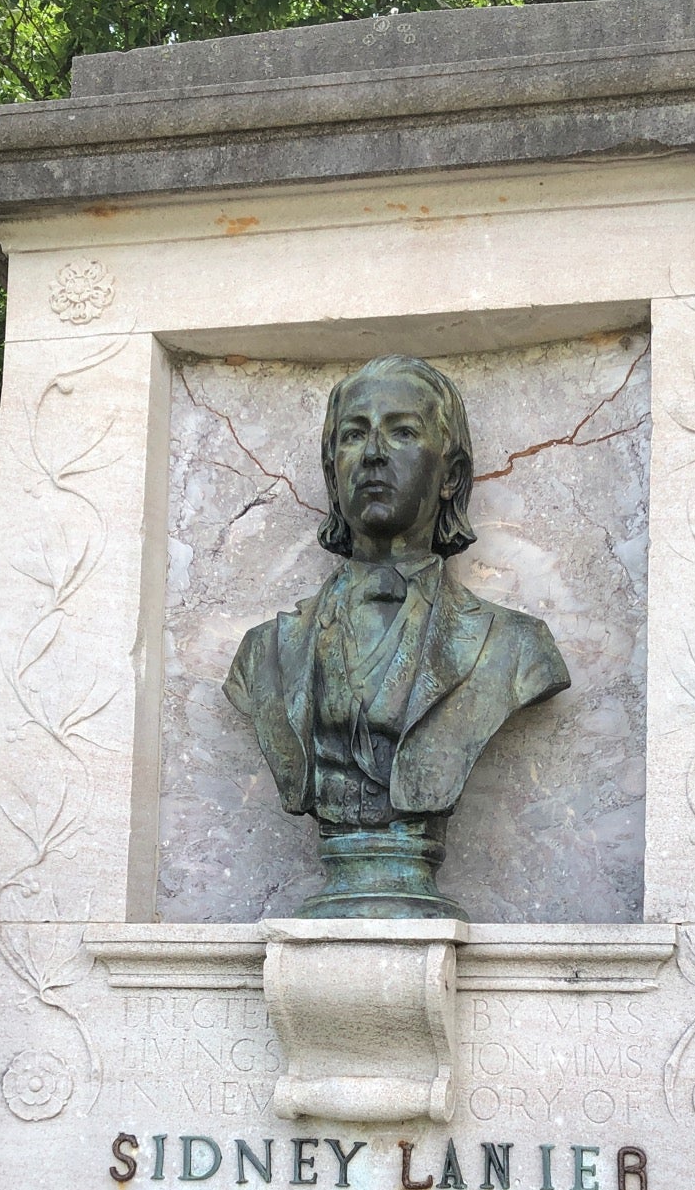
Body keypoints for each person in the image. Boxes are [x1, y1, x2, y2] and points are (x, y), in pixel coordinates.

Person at [225, 354, 570, 916]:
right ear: (332, 470)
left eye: (403, 432)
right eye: (355, 435)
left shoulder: (514, 649)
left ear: (450, 476)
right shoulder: (264, 654)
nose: (375, 455)